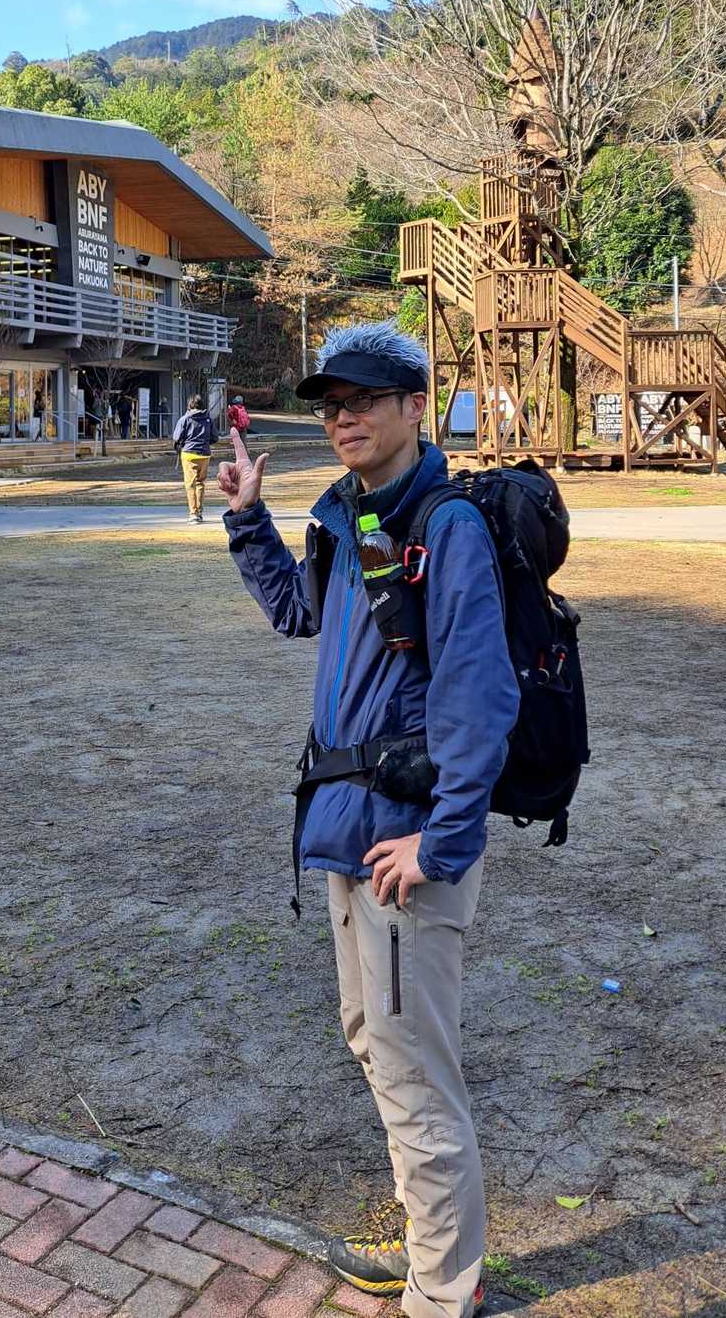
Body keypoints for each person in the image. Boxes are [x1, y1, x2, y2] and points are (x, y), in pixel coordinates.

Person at [217, 323, 520, 1318]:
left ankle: (444, 1290)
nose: (342, 417)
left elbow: (483, 698)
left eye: (363, 399)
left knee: (414, 1071)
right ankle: (431, 1241)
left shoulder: (447, 525)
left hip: (406, 844)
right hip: (351, 827)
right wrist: (249, 521)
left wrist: (444, 840)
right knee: (374, 1040)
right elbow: (297, 613)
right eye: (330, 404)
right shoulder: (350, 515)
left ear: (413, 405)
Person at [172, 393, 215, 523]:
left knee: (190, 484)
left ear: (190, 404)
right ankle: (199, 512)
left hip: (189, 454)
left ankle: (193, 513)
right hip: (205, 454)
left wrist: (179, 446)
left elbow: (176, 437)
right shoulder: (208, 419)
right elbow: (215, 437)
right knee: (200, 483)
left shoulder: (185, 419)